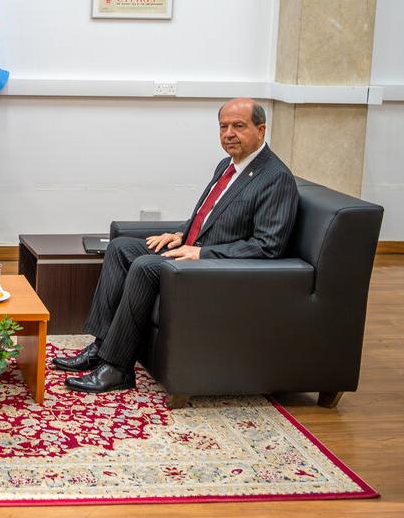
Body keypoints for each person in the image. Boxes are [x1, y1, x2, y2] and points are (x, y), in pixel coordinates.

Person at [55, 98, 299, 394]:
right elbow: (208, 215)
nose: (229, 134)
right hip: (192, 251)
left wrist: (202, 252)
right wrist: (182, 233)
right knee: (121, 248)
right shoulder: (227, 165)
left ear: (261, 130)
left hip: (216, 268)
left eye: (238, 126)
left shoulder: (275, 178)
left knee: (145, 267)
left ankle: (118, 369)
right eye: (223, 127)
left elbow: (268, 246)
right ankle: (102, 346)